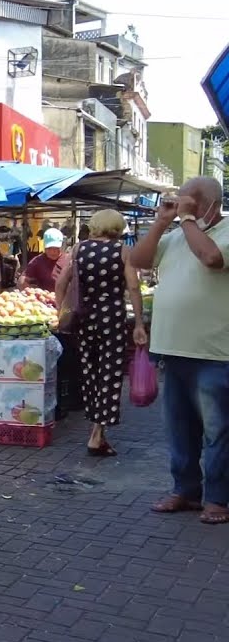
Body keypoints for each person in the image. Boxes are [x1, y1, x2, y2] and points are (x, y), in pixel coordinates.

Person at [132, 177, 229, 524]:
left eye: (192, 202)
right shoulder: (175, 236)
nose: (184, 209)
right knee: (179, 428)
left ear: (212, 205)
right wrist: (161, 222)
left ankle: (219, 499)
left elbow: (211, 258)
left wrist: (187, 220)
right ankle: (186, 491)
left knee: (218, 430)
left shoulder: (225, 231)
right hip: (173, 350)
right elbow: (139, 259)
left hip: (215, 353)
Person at [55, 210, 143, 457]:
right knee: (110, 373)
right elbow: (133, 286)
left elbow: (61, 282)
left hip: (84, 319)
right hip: (112, 319)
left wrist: (60, 310)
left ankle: (97, 429)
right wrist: (137, 323)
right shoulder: (122, 251)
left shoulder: (79, 249)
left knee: (89, 371)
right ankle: (97, 432)